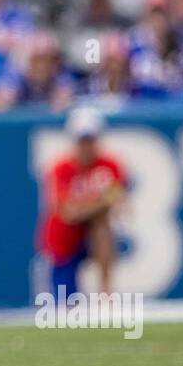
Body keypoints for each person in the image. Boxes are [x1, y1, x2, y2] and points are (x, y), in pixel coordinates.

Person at [36, 106, 127, 298]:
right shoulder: (61, 168)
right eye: (82, 141)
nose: (86, 146)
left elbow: (121, 204)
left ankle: (106, 291)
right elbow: (68, 212)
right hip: (64, 240)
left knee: (102, 226)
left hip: (93, 235)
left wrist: (91, 206)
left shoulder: (109, 165)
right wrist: (102, 202)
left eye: (90, 140)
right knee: (66, 303)